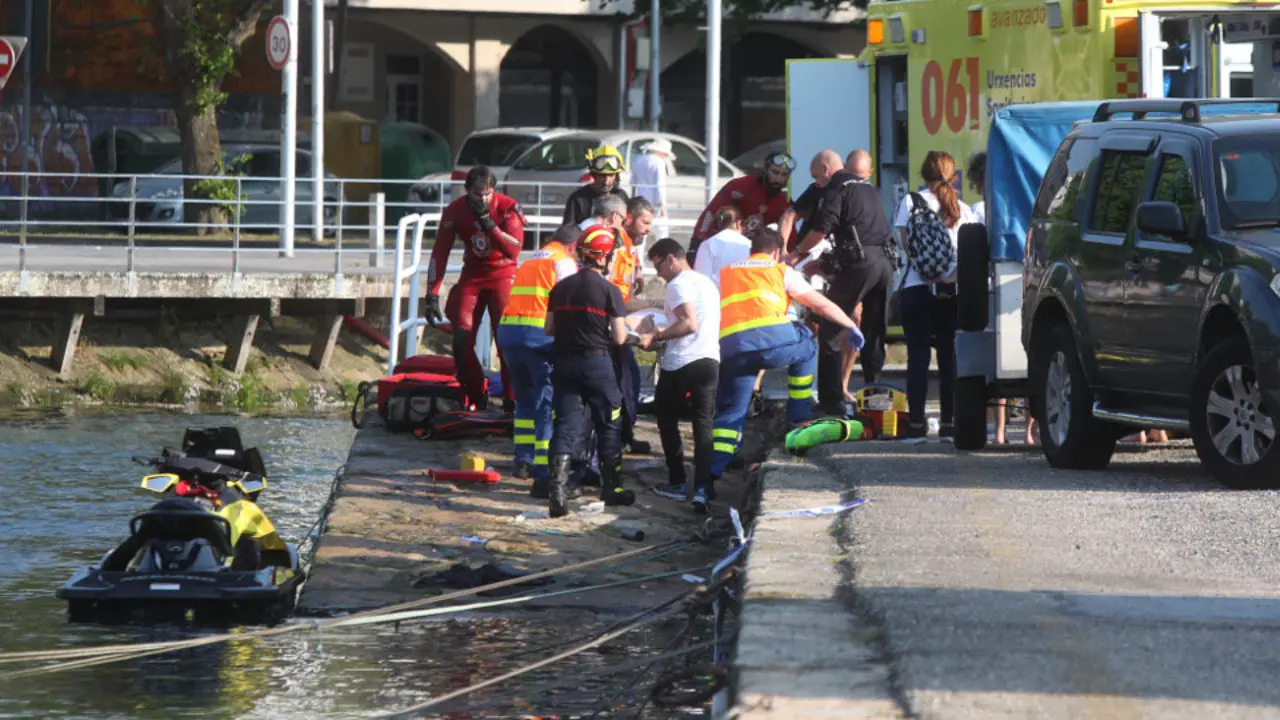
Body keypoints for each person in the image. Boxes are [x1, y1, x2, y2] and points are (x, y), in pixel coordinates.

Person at [707, 229, 863, 513]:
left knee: (731, 413)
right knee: (807, 345)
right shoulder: (781, 271)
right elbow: (819, 304)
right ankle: (798, 418)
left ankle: (710, 479)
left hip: (734, 350)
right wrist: (851, 326)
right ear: (777, 252)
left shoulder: (726, 272)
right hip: (773, 343)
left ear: (751, 250)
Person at [788, 150, 896, 417]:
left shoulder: (837, 187)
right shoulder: (870, 189)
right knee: (874, 331)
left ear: (827, 169)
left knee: (830, 329)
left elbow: (821, 230)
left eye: (816, 177)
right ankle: (876, 402)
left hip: (861, 265)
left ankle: (831, 403)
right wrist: (825, 265)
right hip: (885, 265)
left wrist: (796, 254)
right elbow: (864, 233)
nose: (816, 184)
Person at [544, 225, 638, 517]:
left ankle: (557, 493)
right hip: (597, 364)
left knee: (566, 425)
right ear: (604, 258)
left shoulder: (560, 288)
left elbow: (549, 329)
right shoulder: (609, 291)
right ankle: (612, 488)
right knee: (609, 420)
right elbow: (620, 338)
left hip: (564, 364)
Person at [893, 150, 978, 439]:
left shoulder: (910, 202)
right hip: (951, 292)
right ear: (954, 177)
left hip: (917, 289)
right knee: (949, 359)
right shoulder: (963, 210)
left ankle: (916, 425)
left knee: (917, 358)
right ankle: (948, 424)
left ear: (923, 174)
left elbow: (908, 248)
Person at [426, 165, 524, 412]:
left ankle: (512, 400)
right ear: (467, 190)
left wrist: (488, 223)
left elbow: (514, 249)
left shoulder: (507, 207)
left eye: (487, 194)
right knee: (461, 340)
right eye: (477, 194)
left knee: (506, 342)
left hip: (503, 274)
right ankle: (476, 395)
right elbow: (440, 252)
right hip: (473, 274)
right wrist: (432, 294)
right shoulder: (455, 211)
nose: (482, 199)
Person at [497, 224, 581, 490]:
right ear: (573, 246)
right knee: (546, 401)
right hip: (538, 336)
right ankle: (543, 466)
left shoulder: (532, 259)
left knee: (523, 400)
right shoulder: (564, 262)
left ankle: (522, 460)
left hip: (509, 332)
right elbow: (568, 306)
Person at [639, 238, 721, 508]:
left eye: (659, 266)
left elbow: (688, 323)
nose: (659, 274)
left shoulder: (677, 284)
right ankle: (703, 487)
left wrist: (657, 336)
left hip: (683, 361)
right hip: (710, 360)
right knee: (703, 424)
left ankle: (676, 481)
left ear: (671, 259)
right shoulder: (706, 282)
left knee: (666, 417)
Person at [688, 151, 796, 262]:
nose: (778, 178)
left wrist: (789, 256)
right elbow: (711, 213)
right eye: (775, 172)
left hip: (752, 254)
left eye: (784, 175)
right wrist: (696, 243)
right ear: (766, 169)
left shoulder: (784, 203)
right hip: (722, 247)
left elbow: (788, 234)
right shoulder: (741, 186)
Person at [563, 145, 630, 226]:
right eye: (602, 176)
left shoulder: (621, 197)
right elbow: (568, 230)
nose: (606, 181)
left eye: (611, 175)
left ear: (616, 176)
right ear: (594, 175)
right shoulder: (577, 199)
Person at [693, 204, 753, 289]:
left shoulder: (707, 245)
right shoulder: (749, 244)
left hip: (717, 299)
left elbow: (701, 279)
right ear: (738, 223)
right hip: (743, 298)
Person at [631, 139, 672, 239]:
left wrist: (632, 201)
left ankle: (637, 254)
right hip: (655, 203)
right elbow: (660, 184)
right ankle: (663, 253)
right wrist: (663, 207)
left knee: (640, 232)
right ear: (662, 152)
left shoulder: (639, 159)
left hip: (640, 201)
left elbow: (633, 182)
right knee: (661, 232)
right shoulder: (659, 162)